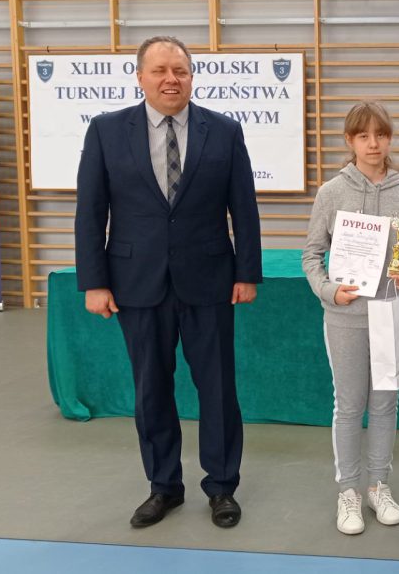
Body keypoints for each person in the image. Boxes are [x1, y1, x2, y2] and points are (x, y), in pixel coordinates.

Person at [74, 36, 262, 528]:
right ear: (140, 77)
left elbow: (244, 208)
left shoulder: (224, 131)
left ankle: (222, 487)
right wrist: (94, 282)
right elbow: (90, 213)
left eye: (179, 70)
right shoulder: (106, 131)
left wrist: (246, 272)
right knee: (151, 390)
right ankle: (164, 487)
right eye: (159, 70)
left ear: (191, 76)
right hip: (136, 283)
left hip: (211, 281)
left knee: (217, 389)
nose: (170, 79)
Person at [301, 101, 399, 536]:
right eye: (363, 136)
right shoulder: (331, 192)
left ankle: (378, 486)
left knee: (386, 403)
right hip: (346, 318)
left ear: (389, 139)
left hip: (390, 314)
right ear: (350, 141)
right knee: (350, 404)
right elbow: (311, 255)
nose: (373, 144)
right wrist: (328, 290)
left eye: (381, 135)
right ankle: (348, 491)